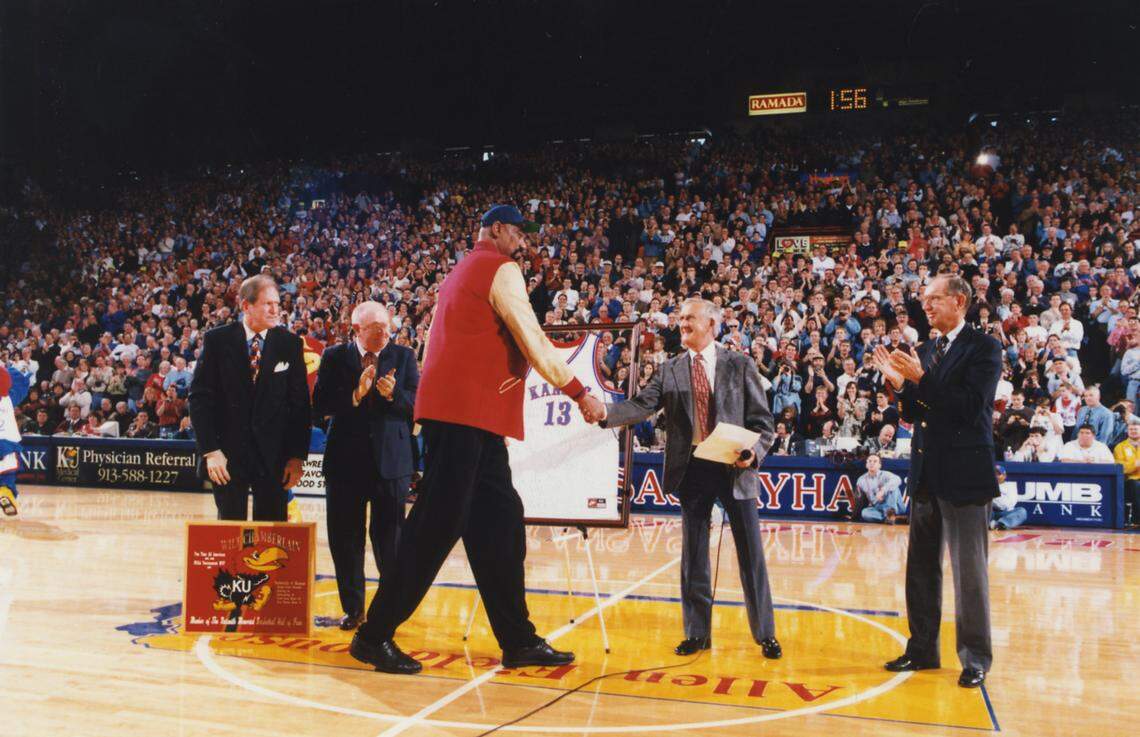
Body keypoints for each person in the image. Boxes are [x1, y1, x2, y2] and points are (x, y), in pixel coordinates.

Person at [350, 205, 605, 675]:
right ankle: (373, 634)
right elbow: (531, 336)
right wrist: (578, 391)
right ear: (498, 230)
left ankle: (518, 639)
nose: (524, 244)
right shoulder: (497, 267)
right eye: (519, 235)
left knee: (501, 521)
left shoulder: (463, 271)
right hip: (465, 415)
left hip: (468, 417)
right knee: (434, 526)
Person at [593, 297, 781, 660]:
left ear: (712, 324)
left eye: (690, 318)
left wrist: (752, 454)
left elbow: (764, 425)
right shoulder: (670, 369)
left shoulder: (740, 364)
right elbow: (642, 405)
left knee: (751, 554)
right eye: (680, 319)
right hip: (692, 468)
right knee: (693, 556)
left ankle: (765, 634)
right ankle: (697, 633)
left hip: (733, 466)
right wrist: (606, 412)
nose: (682, 324)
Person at [873, 274, 1001, 689]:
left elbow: (968, 407)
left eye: (933, 299)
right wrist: (900, 387)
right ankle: (922, 649)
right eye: (923, 300)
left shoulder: (984, 347)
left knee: (970, 575)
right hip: (926, 472)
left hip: (966, 474)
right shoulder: (925, 350)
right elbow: (917, 411)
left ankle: (975, 657)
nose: (924, 306)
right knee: (921, 570)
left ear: (959, 301)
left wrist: (920, 380)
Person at [313, 302, 419, 631]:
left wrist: (394, 395)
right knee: (346, 541)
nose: (385, 333)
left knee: (390, 541)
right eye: (377, 328)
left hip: (391, 464)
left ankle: (388, 612)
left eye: (388, 327)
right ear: (357, 329)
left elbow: (417, 406)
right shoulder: (333, 357)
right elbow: (319, 405)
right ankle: (353, 609)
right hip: (345, 464)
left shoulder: (404, 357)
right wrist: (354, 395)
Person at [188, 275, 311, 521]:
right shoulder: (217, 340)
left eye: (278, 303)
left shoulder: (291, 344)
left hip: (274, 460)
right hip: (227, 458)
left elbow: (299, 407)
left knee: (271, 535)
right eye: (268, 304)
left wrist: (297, 457)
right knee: (230, 534)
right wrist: (211, 451)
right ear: (246, 306)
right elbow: (199, 399)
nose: (276, 310)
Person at [857, 454, 904, 524]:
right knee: (864, 513)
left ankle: (890, 515)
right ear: (866, 465)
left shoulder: (885, 474)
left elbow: (898, 479)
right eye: (869, 461)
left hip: (895, 506)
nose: (872, 463)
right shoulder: (861, 480)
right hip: (878, 507)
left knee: (893, 487)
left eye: (875, 461)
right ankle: (892, 519)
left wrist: (883, 490)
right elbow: (859, 498)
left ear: (879, 465)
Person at [1113, 419, 1140, 526]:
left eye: (1136, 429)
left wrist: (1131, 464)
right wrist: (1135, 465)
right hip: (1128, 480)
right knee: (1136, 485)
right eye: (1131, 429)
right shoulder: (1120, 447)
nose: (1133, 431)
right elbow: (1121, 468)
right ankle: (1137, 519)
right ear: (1127, 431)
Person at [990, 465, 1027, 530]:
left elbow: (1006, 505)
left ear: (1004, 476)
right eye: (994, 474)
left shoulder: (1011, 486)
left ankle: (1001, 524)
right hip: (991, 513)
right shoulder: (987, 486)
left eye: (998, 474)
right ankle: (992, 524)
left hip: (1006, 513)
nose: (996, 476)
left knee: (1022, 511)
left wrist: (993, 497)